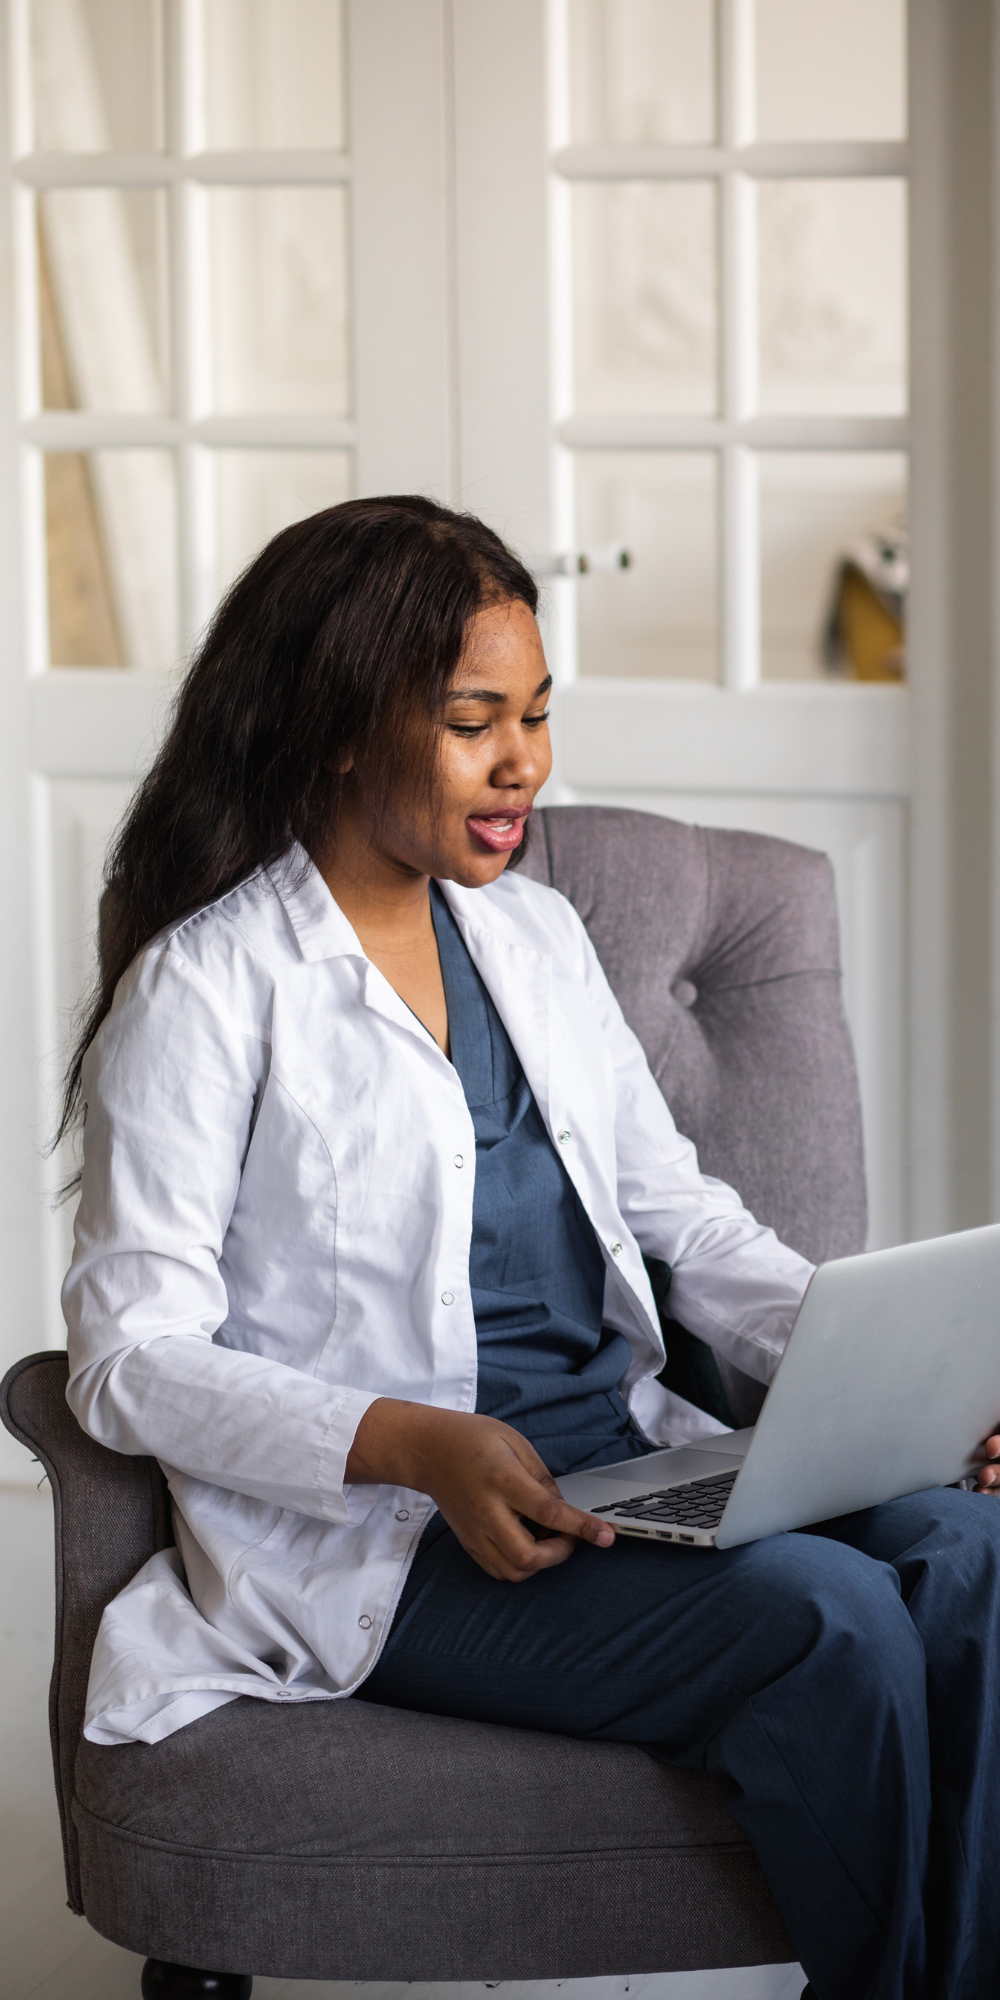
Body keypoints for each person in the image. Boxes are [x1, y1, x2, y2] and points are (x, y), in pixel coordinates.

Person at [62, 496, 1000, 2000]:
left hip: (628, 1469)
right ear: (340, 729)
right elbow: (128, 1360)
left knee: (972, 1545)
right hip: (409, 1543)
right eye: (473, 722)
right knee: (829, 1627)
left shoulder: (538, 941)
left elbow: (681, 1218)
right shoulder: (210, 987)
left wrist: (907, 1379)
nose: (525, 766)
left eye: (539, 715)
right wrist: (413, 1442)